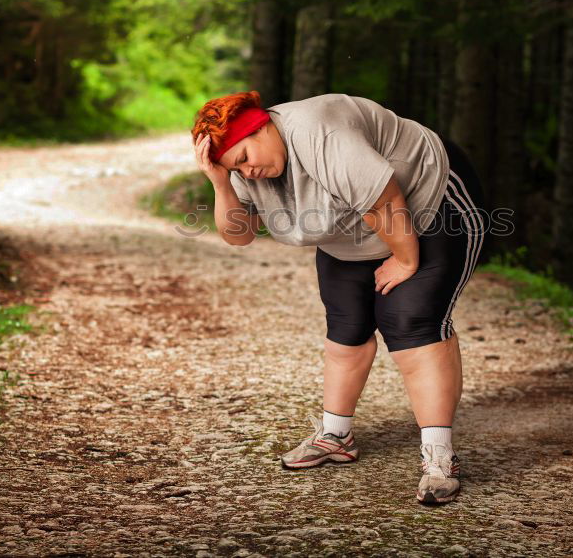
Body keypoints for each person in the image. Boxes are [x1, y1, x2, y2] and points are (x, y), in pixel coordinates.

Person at [190, 90, 488, 505]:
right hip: (352, 227)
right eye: (236, 167)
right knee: (346, 328)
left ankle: (440, 457)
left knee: (411, 321)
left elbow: (385, 201)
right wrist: (221, 180)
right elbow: (237, 235)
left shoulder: (319, 131)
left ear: (261, 126)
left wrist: (404, 260)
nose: (249, 171)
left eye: (243, 158)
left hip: (427, 200)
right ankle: (335, 436)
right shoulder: (241, 170)